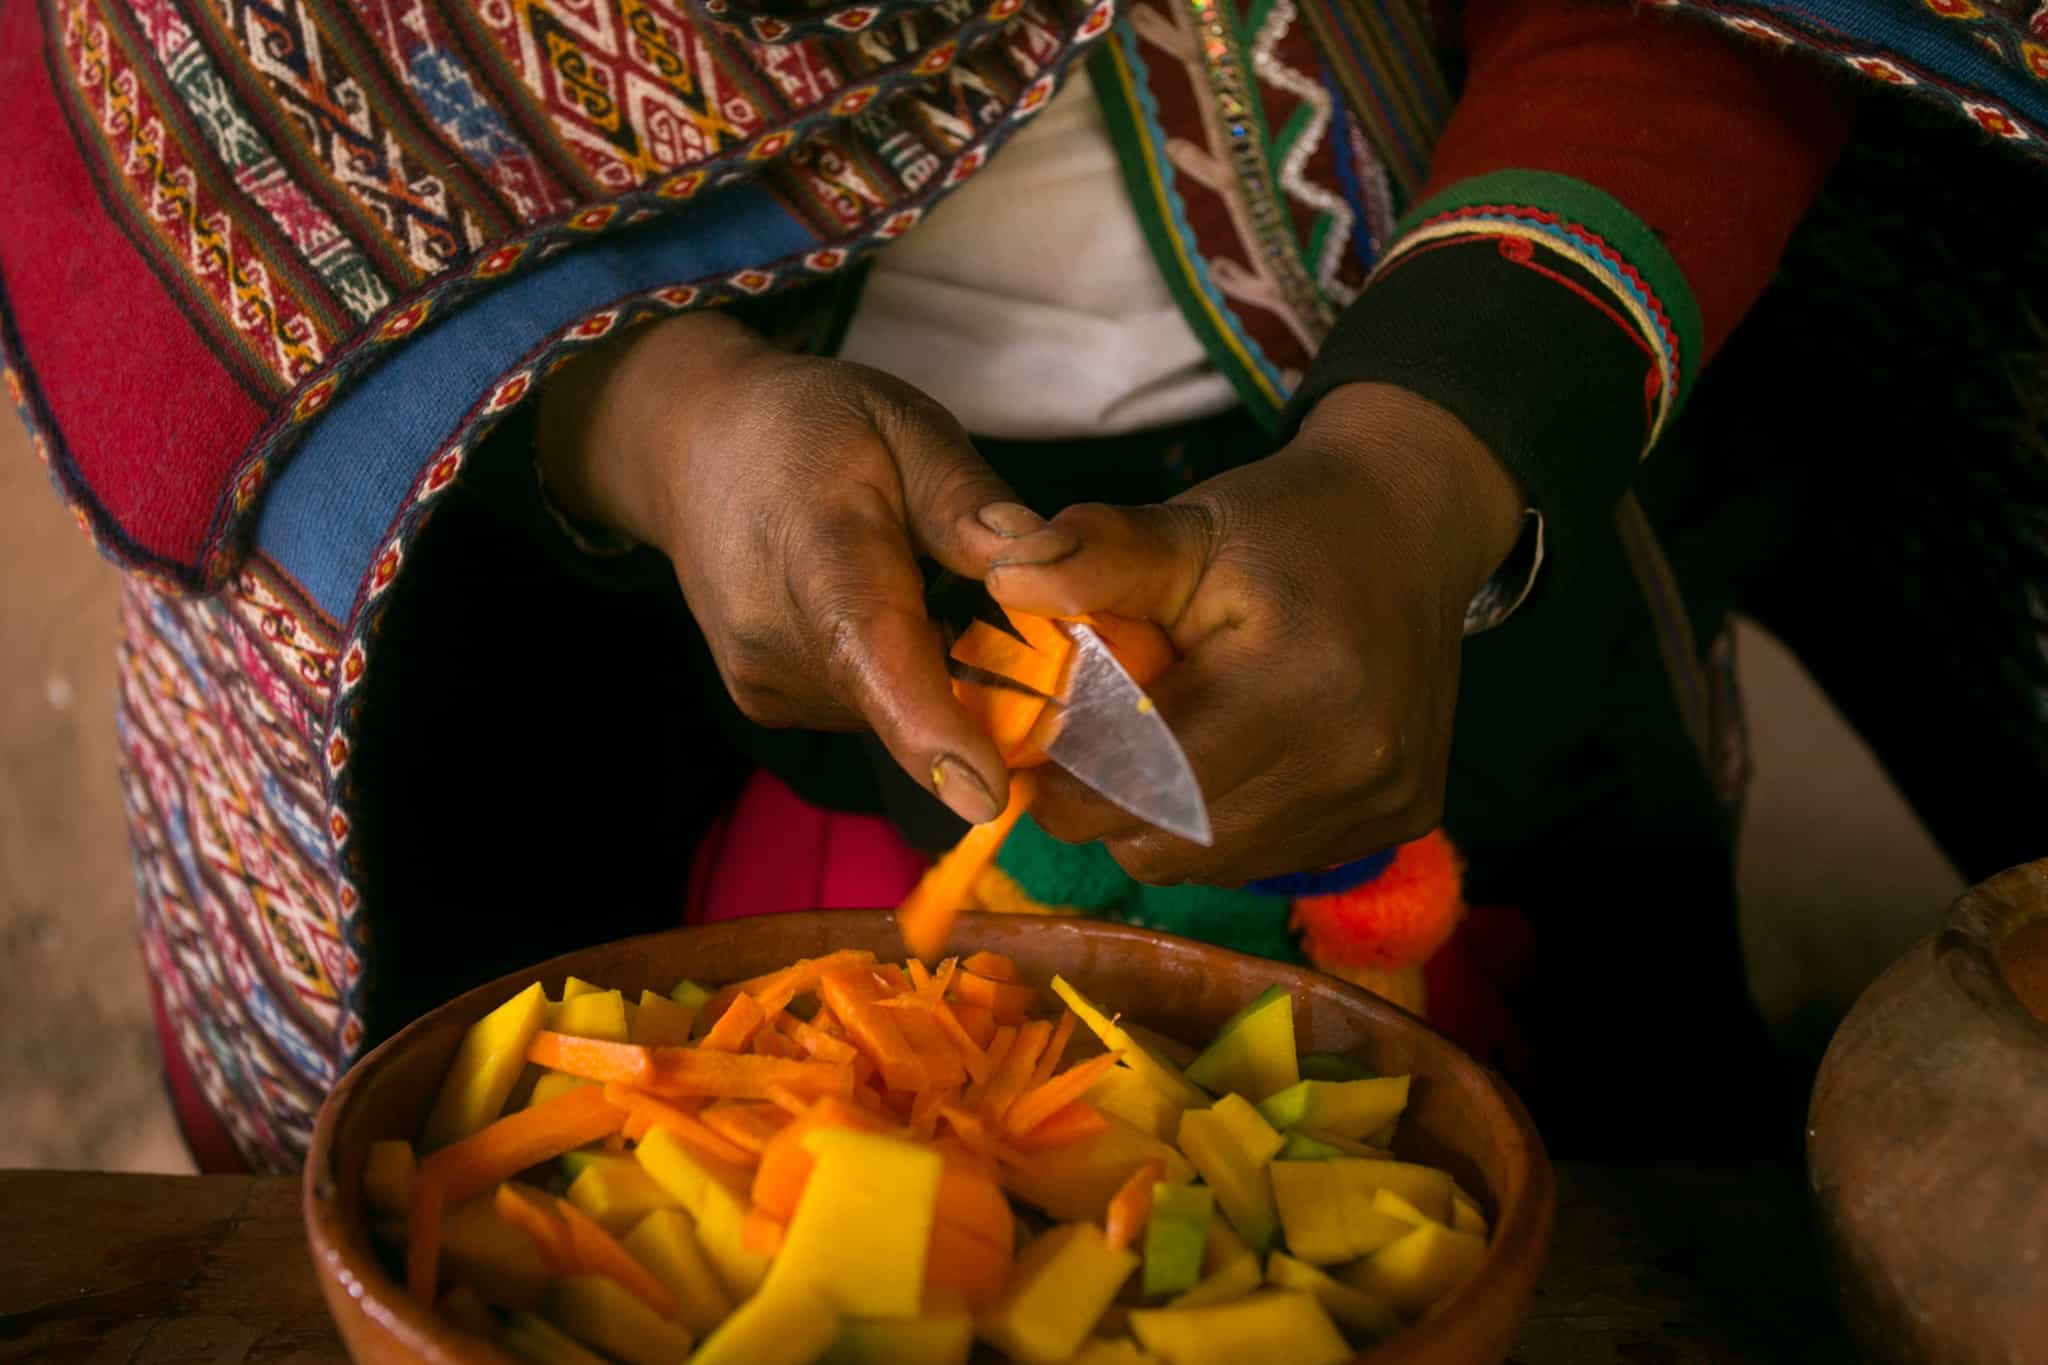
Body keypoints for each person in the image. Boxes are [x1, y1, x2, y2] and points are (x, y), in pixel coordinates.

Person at [3, 0, 2044, 1173]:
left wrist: (1431, 460)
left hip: (1473, 541)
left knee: (1573, 1209)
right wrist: (656, 421)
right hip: (678, 686)